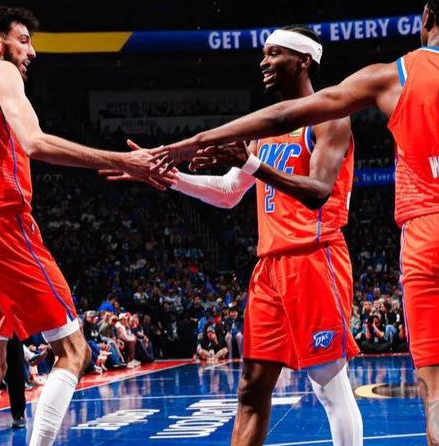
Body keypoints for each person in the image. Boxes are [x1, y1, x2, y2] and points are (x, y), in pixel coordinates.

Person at [157, 0, 439, 446]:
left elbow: (286, 118)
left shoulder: (392, 75)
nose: (265, 62)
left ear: (427, 19)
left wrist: (193, 142)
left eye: (274, 53)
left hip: (427, 232)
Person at [105, 24, 363, 446]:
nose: (264, 62)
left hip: (315, 258)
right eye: (263, 54)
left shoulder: (330, 116)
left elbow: (318, 191)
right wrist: (170, 178)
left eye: (274, 53)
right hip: (269, 267)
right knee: (251, 388)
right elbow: (229, 192)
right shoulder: (265, 128)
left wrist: (252, 165)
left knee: (328, 385)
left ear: (303, 61)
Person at [0, 6, 173, 446]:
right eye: (24, 40)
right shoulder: (1, 73)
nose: (31, 51)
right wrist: (124, 161)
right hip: (1, 226)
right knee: (74, 351)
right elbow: (35, 142)